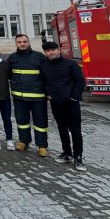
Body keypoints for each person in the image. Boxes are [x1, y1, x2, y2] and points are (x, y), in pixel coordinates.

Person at [41, 41, 86, 171]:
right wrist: (47, 94)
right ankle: (67, 152)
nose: (51, 52)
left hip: (71, 103)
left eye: (53, 49)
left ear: (58, 50)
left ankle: (78, 156)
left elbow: (80, 81)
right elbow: (43, 82)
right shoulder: (44, 66)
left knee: (75, 130)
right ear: (45, 52)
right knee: (62, 128)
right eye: (48, 50)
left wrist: (74, 97)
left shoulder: (70, 64)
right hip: (55, 102)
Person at [8, 34, 48, 157]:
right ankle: (24, 141)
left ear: (29, 42)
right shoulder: (12, 58)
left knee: (40, 122)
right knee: (22, 121)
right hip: (19, 97)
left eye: (25, 41)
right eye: (19, 42)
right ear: (16, 43)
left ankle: (42, 146)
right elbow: (9, 74)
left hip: (38, 97)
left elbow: (47, 75)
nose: (22, 44)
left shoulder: (39, 57)